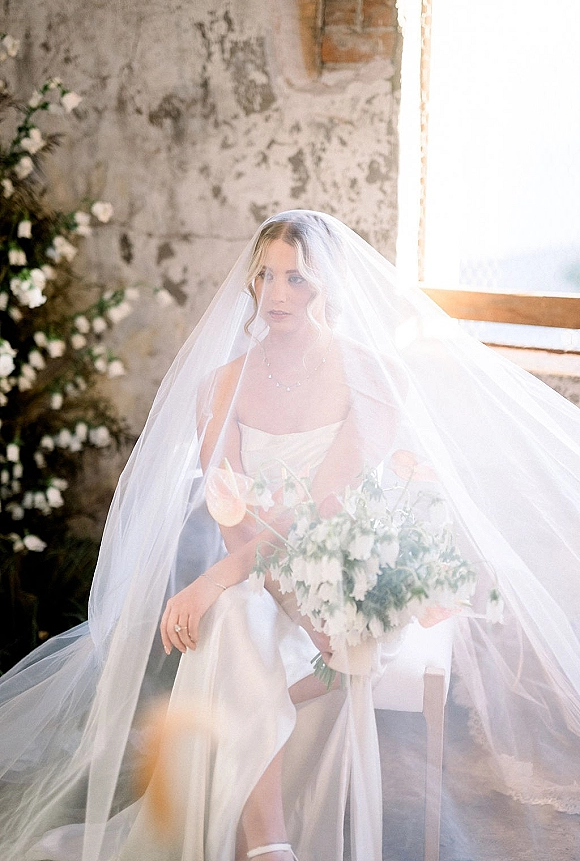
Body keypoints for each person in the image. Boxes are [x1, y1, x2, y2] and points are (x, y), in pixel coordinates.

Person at [0, 210, 579, 861]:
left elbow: (326, 516)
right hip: (262, 572)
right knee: (240, 618)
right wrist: (253, 585)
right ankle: (267, 840)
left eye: (297, 279)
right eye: (265, 276)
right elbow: (234, 517)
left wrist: (227, 586)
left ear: (329, 286)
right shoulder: (221, 387)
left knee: (229, 617)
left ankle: (257, 836)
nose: (277, 295)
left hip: (351, 573)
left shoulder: (374, 378)